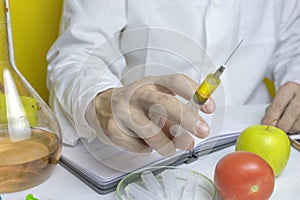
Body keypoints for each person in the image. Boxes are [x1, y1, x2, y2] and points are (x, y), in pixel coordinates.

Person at [47, 0, 300, 157]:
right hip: (147, 145)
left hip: (257, 132)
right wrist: (101, 98)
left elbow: (293, 45)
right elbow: (78, 53)